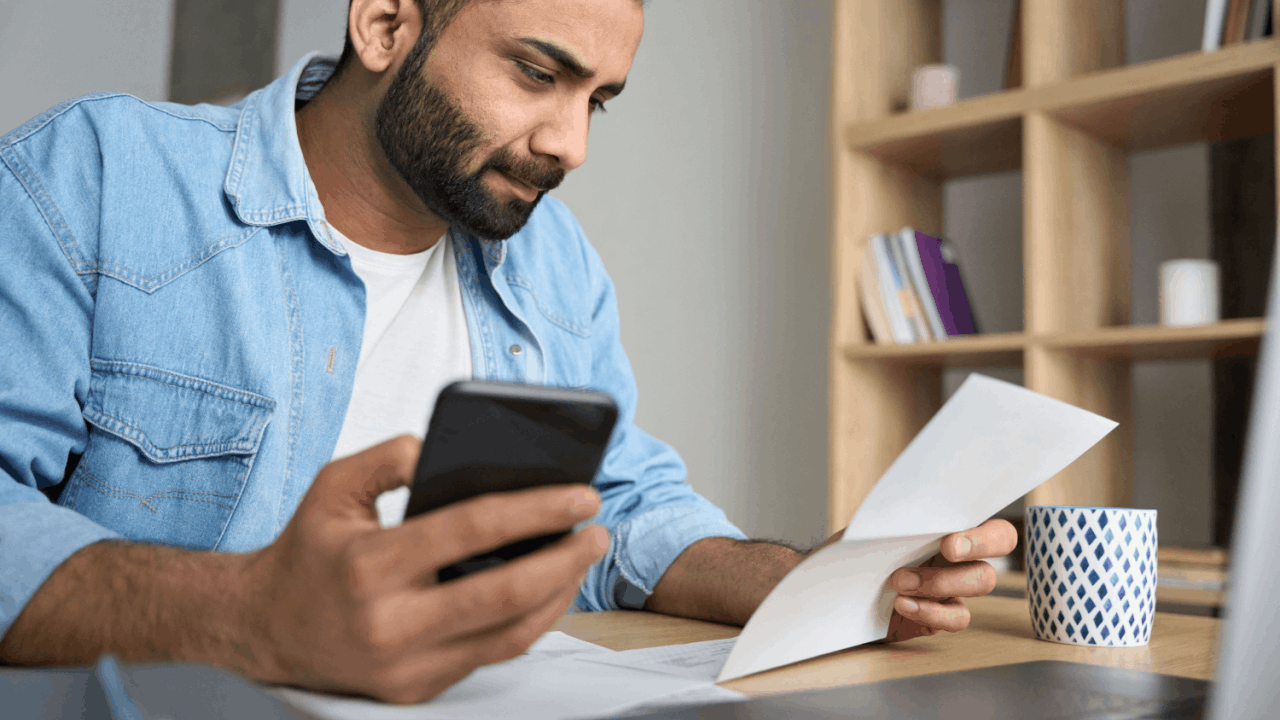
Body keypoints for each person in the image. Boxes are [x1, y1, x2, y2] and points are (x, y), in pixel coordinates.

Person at [0, 0, 1016, 704]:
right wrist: (251, 615)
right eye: (539, 73)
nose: (570, 143)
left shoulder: (551, 261)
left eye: (598, 100)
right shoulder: (93, 177)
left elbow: (616, 505)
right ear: (386, 22)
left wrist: (805, 581)